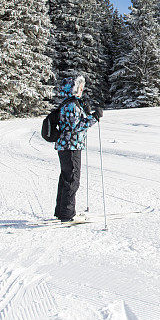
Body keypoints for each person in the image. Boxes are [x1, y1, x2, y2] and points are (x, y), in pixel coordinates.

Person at [54, 75, 103, 221]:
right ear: (74, 89)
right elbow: (75, 127)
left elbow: (74, 123)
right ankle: (67, 214)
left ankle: (62, 211)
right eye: (80, 87)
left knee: (66, 179)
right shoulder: (72, 105)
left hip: (67, 146)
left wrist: (87, 114)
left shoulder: (69, 104)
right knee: (72, 180)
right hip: (71, 146)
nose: (82, 90)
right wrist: (94, 118)